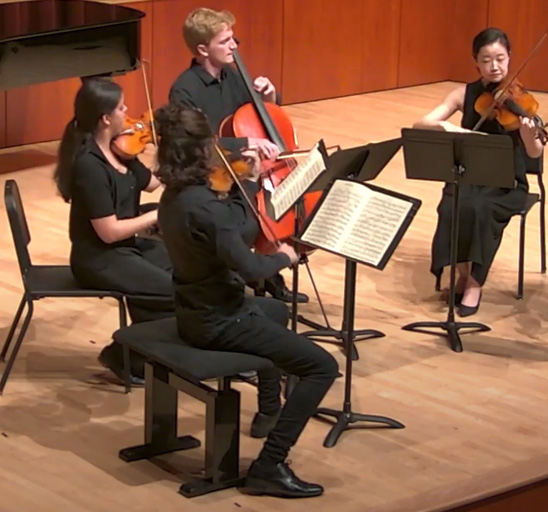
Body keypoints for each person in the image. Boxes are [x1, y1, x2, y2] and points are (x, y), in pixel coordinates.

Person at [153, 102, 338, 498]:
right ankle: (269, 466)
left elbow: (231, 231)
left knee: (275, 309)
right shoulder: (207, 208)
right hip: (221, 320)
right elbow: (251, 268)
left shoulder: (174, 197)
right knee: (322, 366)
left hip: (193, 309)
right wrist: (285, 257)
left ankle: (271, 406)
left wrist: (247, 182)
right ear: (202, 149)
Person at [167, 7, 308, 304]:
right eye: (225, 41)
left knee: (284, 204)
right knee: (253, 217)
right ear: (203, 49)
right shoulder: (184, 90)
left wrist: (268, 98)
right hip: (212, 177)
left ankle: (268, 271)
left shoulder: (233, 76)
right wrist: (246, 142)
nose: (233, 46)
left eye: (233, 38)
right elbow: (196, 143)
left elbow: (258, 117)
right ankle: (256, 268)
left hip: (246, 168)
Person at [413, 27, 544, 317]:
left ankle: (474, 282)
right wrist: (447, 127)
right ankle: (462, 272)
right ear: (476, 62)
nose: (494, 66)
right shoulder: (463, 94)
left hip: (507, 183)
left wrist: (528, 135)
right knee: (452, 206)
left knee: (481, 209)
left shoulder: (521, 100)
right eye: (486, 60)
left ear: (510, 58)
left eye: (500, 58)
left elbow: (535, 153)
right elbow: (420, 124)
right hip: (468, 175)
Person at [53, 78, 175, 384]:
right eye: (121, 108)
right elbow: (108, 232)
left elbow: (153, 184)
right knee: (170, 291)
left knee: (184, 271)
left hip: (125, 248)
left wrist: (154, 148)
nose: (128, 112)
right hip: (98, 258)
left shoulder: (120, 151)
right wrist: (155, 216)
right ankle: (122, 354)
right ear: (106, 118)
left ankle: (148, 354)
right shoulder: (89, 166)